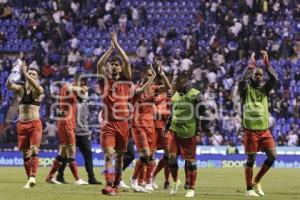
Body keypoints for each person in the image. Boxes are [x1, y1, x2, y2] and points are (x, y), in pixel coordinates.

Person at [238, 51, 279, 197]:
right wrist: (251, 66)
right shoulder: (245, 90)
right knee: (251, 160)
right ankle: (249, 189)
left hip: (264, 130)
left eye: (261, 75)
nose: (259, 76)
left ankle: (256, 180)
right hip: (251, 131)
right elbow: (242, 81)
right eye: (257, 74)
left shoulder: (265, 89)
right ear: (252, 75)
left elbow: (275, 79)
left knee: (273, 156)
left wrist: (267, 63)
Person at [163, 73, 209, 198]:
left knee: (190, 161)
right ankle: (175, 181)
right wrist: (166, 127)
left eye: (175, 83)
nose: (173, 85)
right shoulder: (174, 96)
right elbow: (172, 114)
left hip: (189, 133)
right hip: (175, 132)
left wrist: (203, 129)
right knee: (171, 158)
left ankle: (192, 188)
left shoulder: (196, 94)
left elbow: (204, 112)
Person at [97, 31, 132, 196]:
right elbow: (98, 65)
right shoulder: (104, 81)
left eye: (116, 65)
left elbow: (126, 60)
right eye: (111, 64)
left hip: (123, 124)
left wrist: (117, 44)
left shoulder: (126, 80)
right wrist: (110, 50)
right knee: (109, 154)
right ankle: (109, 184)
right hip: (108, 123)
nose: (113, 66)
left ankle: (116, 185)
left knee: (120, 157)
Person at [130, 62, 171, 192]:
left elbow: (169, 88)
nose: (150, 76)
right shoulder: (134, 87)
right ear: (142, 75)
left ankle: (145, 182)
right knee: (146, 153)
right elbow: (141, 90)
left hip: (150, 126)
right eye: (148, 74)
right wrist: (154, 76)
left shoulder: (154, 88)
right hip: (138, 124)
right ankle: (134, 180)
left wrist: (161, 74)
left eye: (151, 74)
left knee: (149, 156)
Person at [6, 61, 43, 189]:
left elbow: (35, 85)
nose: (32, 75)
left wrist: (25, 72)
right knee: (25, 154)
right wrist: (14, 72)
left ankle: (33, 177)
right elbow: (8, 85)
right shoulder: (20, 89)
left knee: (34, 150)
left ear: (37, 78)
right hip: (22, 125)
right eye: (30, 73)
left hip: (34, 124)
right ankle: (29, 179)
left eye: (34, 74)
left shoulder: (39, 90)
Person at [45, 74, 88, 185]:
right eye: (80, 83)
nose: (82, 85)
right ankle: (77, 179)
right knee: (71, 151)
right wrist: (81, 89)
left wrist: (83, 92)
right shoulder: (67, 87)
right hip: (66, 123)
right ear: (75, 81)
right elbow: (70, 88)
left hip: (68, 122)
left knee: (63, 151)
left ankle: (50, 177)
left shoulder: (73, 92)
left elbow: (82, 98)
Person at [56, 85, 102, 185]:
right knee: (66, 156)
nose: (84, 92)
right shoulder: (72, 101)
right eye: (83, 90)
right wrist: (60, 113)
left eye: (86, 90)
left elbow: (86, 119)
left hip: (84, 133)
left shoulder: (87, 103)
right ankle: (59, 176)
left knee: (88, 155)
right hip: (72, 131)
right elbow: (61, 109)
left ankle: (91, 178)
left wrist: (88, 131)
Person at [151, 80, 172, 190]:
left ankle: (165, 179)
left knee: (168, 154)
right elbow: (154, 111)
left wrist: (163, 112)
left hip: (165, 127)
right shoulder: (151, 92)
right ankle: (144, 179)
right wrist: (164, 112)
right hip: (153, 126)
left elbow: (172, 111)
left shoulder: (168, 95)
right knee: (149, 154)